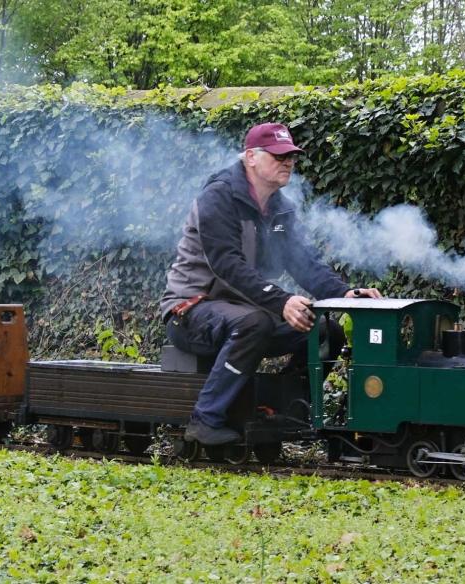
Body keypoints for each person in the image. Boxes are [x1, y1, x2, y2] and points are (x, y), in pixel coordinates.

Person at [160, 122, 382, 446]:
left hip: (245, 312)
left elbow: (303, 262)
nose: (288, 162)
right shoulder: (219, 196)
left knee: (325, 332)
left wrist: (345, 294)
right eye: (278, 156)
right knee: (255, 322)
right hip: (192, 310)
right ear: (251, 157)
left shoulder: (280, 208)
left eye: (291, 155)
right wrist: (281, 301)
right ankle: (205, 420)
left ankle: (285, 412)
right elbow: (226, 264)